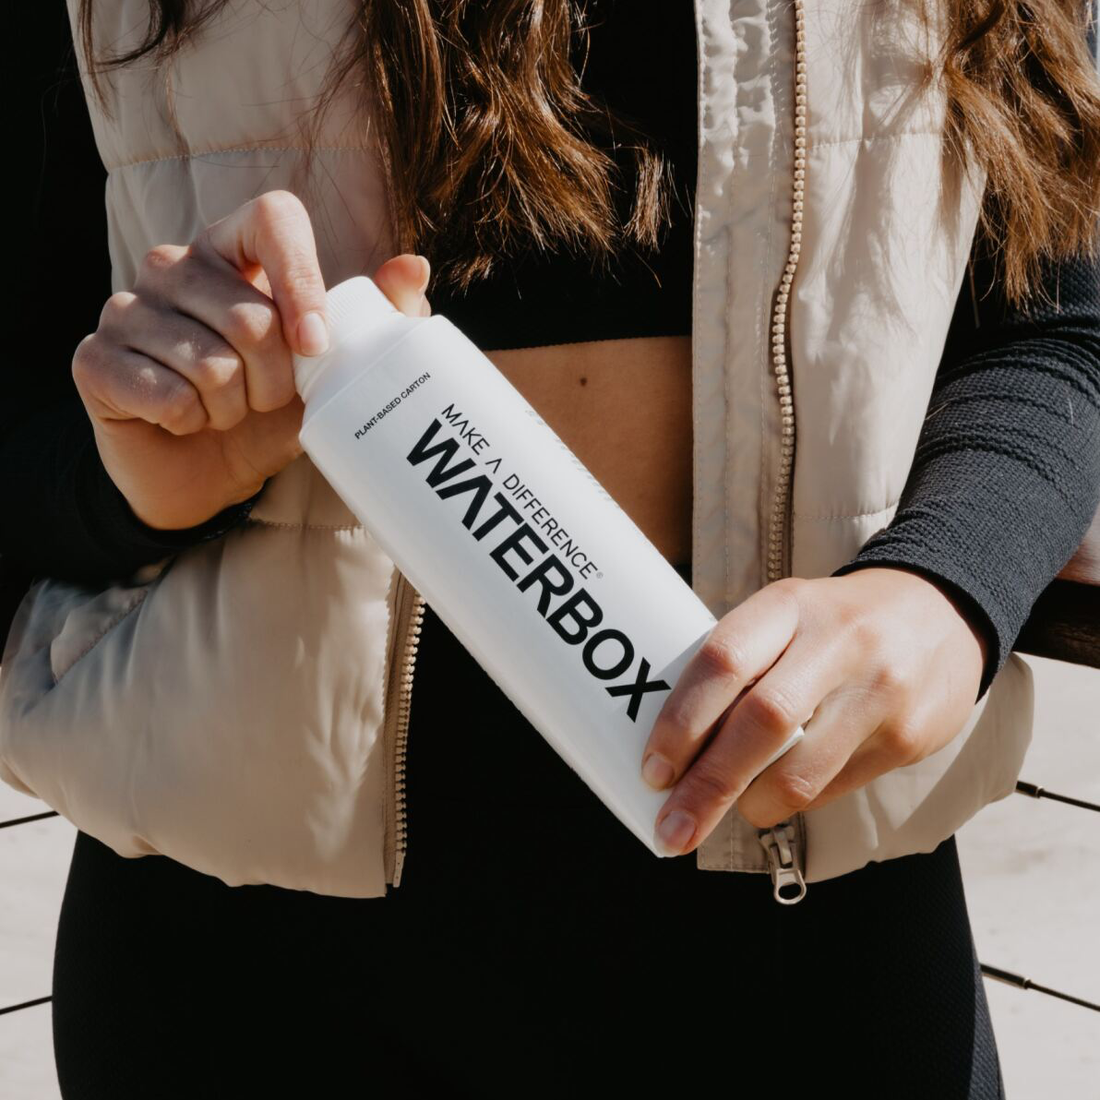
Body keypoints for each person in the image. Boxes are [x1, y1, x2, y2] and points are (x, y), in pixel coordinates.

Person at [3, 0, 1098, 1096]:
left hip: (811, 934)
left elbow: (1060, 320)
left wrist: (945, 586)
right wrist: (124, 479)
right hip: (252, 977)